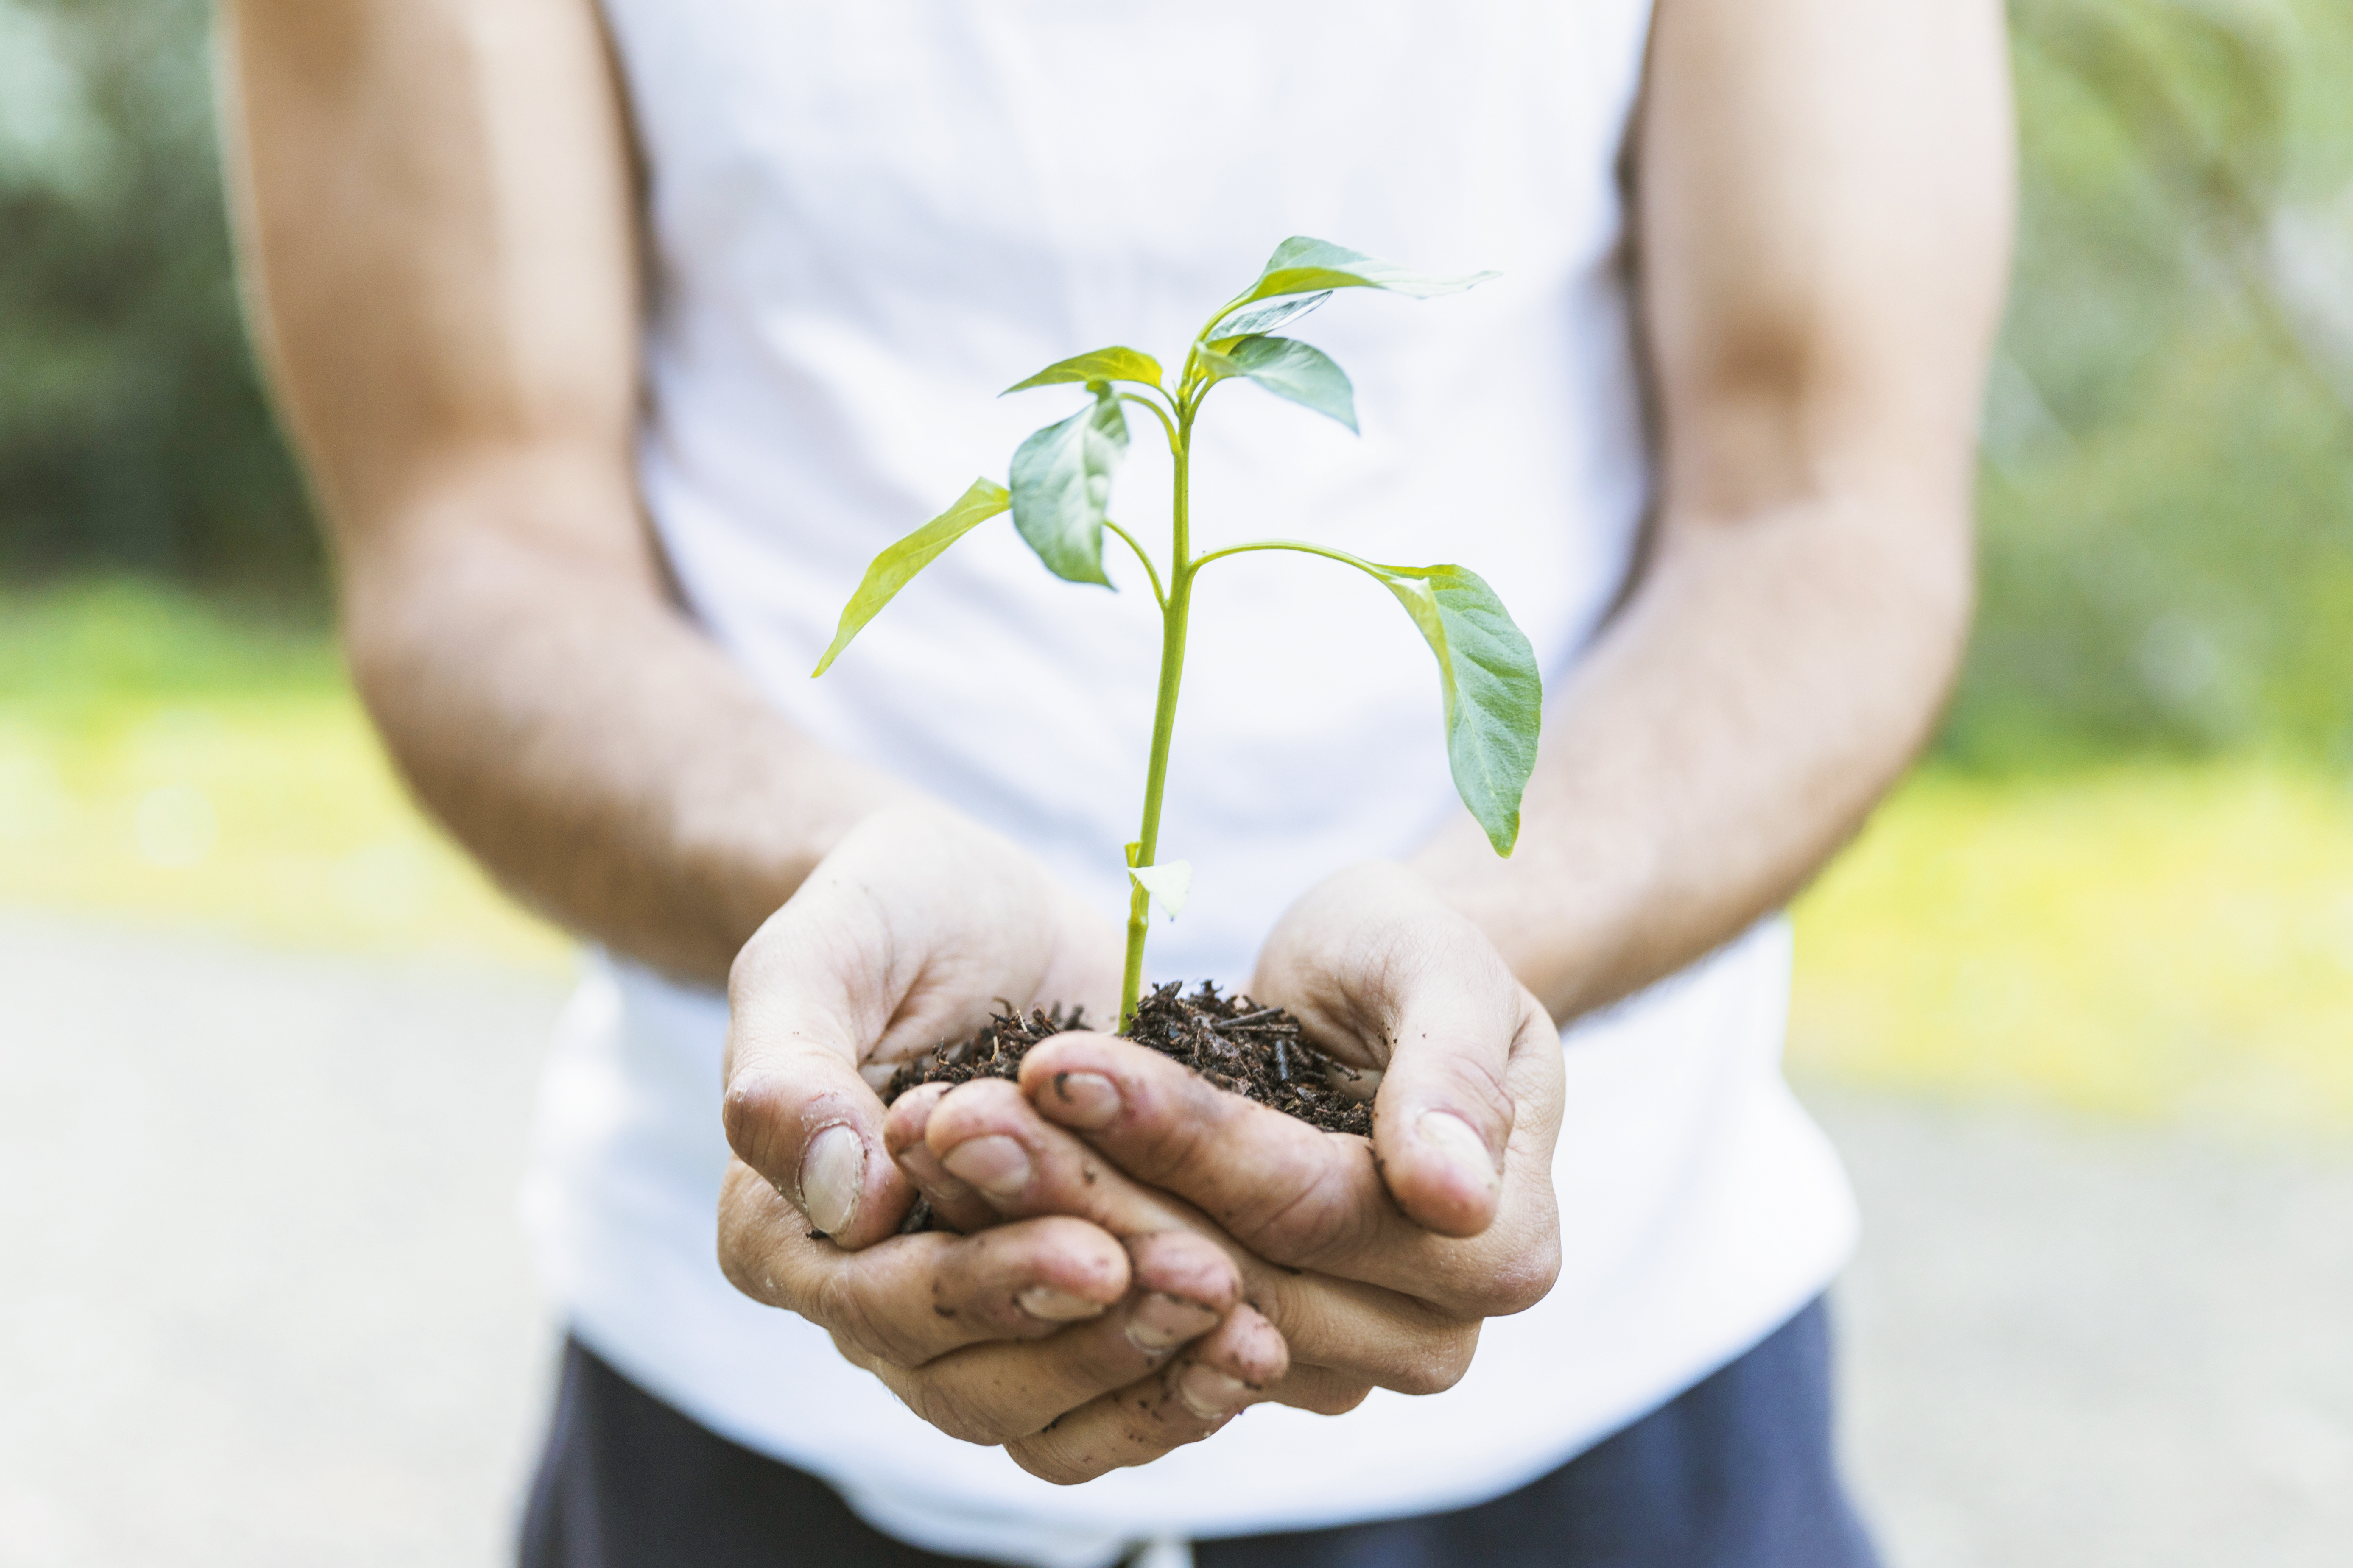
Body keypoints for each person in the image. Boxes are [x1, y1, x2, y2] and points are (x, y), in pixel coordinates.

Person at [220, 0, 2010, 1562]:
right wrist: (835, 903)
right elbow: (477, 544)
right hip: (760, 1387)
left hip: (1615, 1390)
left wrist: (1481, 953)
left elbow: (1825, 512)